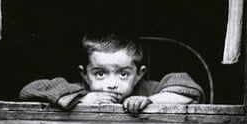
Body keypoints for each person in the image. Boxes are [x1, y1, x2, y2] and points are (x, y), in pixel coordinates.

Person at [19, 33, 204, 114]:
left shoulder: (149, 90)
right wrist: (81, 100)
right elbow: (29, 91)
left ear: (139, 74)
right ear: (85, 75)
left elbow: (188, 90)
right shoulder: (81, 92)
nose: (112, 84)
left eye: (123, 74)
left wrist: (151, 101)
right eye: (100, 74)